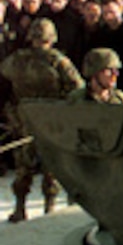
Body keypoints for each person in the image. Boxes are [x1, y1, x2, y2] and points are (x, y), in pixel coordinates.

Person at [0, 18, 84, 221]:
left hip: (25, 118)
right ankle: (49, 207)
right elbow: (77, 87)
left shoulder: (17, 59)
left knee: (23, 165)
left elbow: (4, 75)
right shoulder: (58, 60)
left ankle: (20, 207)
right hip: (51, 119)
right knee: (51, 165)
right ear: (52, 38)